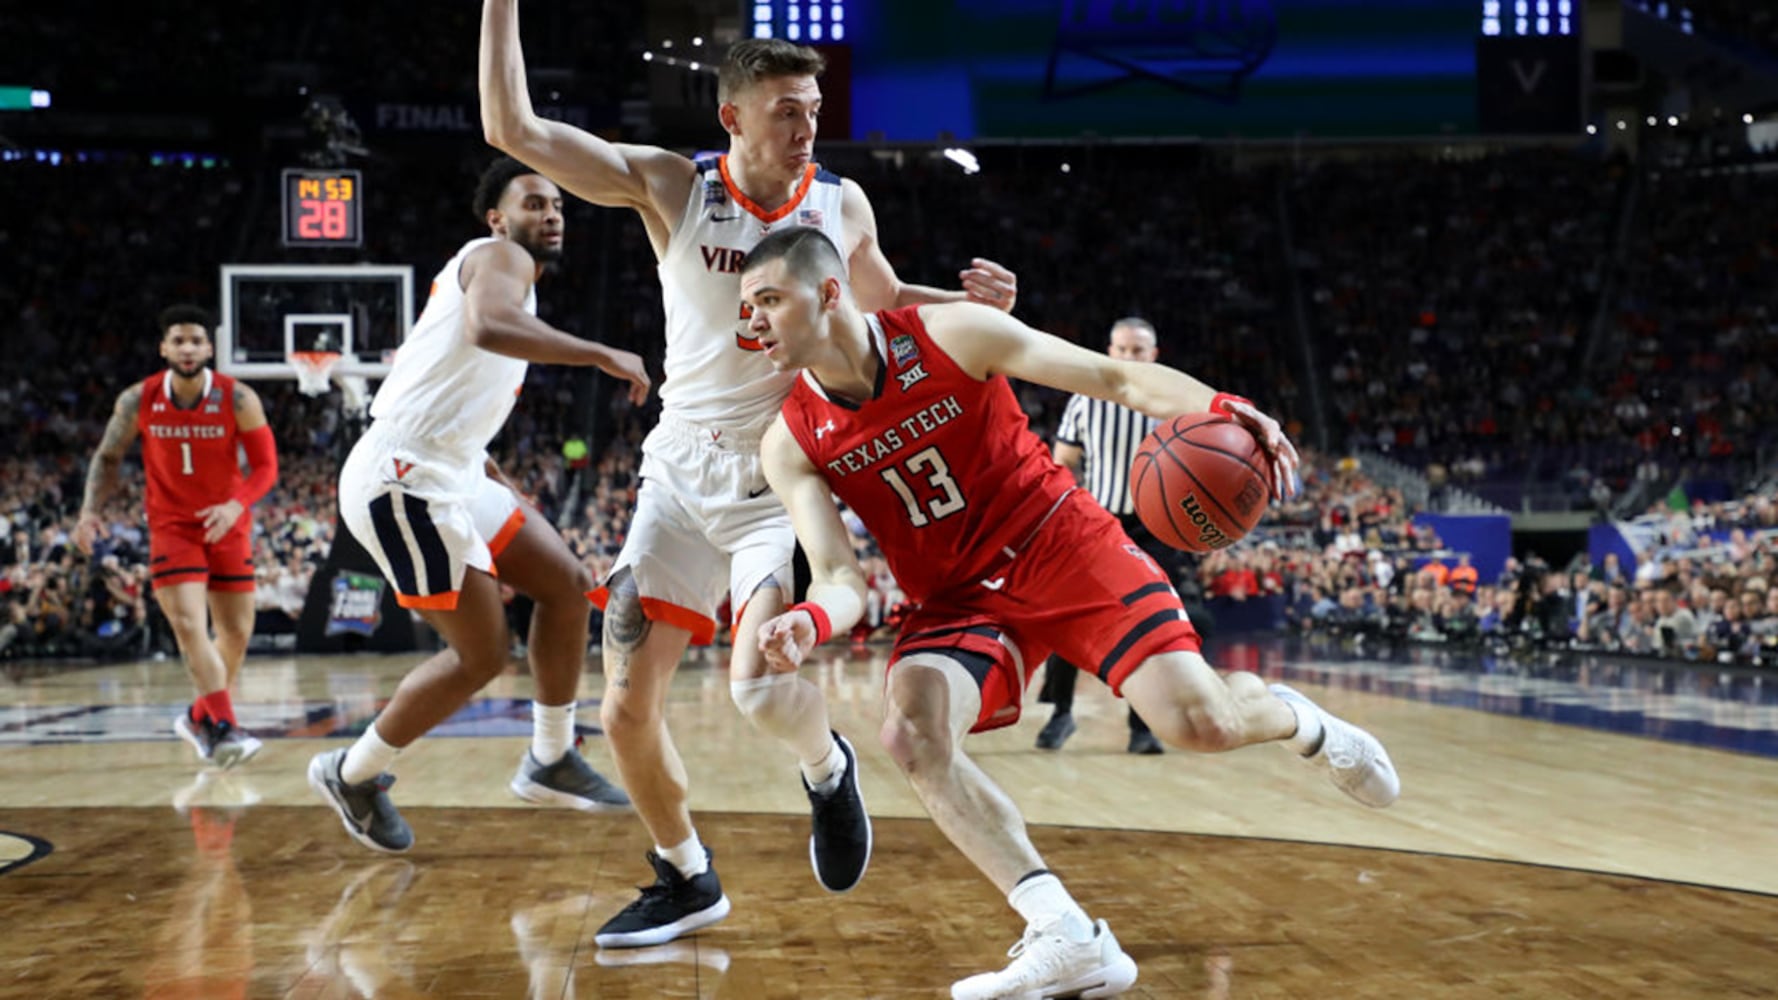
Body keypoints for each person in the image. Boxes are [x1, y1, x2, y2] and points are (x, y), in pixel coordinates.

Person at [480, 1, 1021, 948]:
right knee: (623, 707)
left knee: (759, 690)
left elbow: (884, 299)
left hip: (784, 473)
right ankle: (685, 875)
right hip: (680, 468)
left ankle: (825, 768)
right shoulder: (674, 188)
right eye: (784, 109)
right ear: (731, 117)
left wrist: (975, 307)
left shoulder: (841, 201)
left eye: (812, 106)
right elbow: (513, 130)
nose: (806, 123)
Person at [742, 228, 1399, 1000]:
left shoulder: (955, 331)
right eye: (747, 307)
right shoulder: (788, 441)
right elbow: (839, 576)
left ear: (826, 294)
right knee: (910, 731)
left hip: (1062, 542)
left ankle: (1298, 721)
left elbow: (1110, 378)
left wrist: (1225, 406)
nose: (753, 324)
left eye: (768, 301)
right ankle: (1064, 931)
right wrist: (813, 622)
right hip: (959, 596)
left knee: (1200, 726)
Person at [307, 157, 651, 854]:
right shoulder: (498, 258)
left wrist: (488, 469)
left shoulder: (513, 283)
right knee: (481, 655)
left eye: (557, 203)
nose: (551, 212)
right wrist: (600, 354)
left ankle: (550, 757)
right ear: (498, 218)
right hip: (403, 477)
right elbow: (489, 327)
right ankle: (353, 771)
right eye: (533, 202)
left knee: (564, 587)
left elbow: (454, 377)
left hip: (454, 468)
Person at [75, 305, 279, 768]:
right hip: (171, 526)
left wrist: (235, 504)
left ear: (210, 348)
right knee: (189, 626)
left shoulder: (238, 398)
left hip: (227, 522)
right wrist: (89, 511)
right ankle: (225, 727)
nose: (187, 348)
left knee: (236, 633)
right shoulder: (137, 399)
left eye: (196, 340)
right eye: (178, 340)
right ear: (163, 347)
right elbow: (108, 458)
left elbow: (267, 467)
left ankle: (196, 717)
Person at [1033, 317, 1169, 755]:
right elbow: (1064, 461)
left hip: (1156, 527)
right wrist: (1074, 512)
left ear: (1154, 355)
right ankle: (1060, 713)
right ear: (1110, 352)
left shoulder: (1170, 404)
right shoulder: (1085, 400)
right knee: (1070, 617)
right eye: (1123, 349)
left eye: (1139, 350)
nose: (1130, 357)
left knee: (1153, 625)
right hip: (1097, 522)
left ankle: (1142, 725)